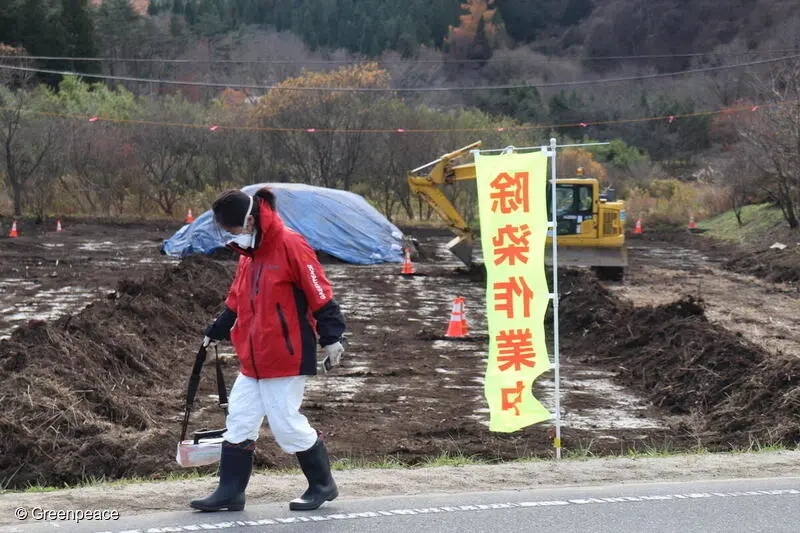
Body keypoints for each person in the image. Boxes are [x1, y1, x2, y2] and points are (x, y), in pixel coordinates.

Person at [190, 187, 347, 513]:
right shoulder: (249, 255)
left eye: (232, 228)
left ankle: (322, 484)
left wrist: (332, 336)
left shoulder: (291, 245)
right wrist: (215, 331)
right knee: (240, 419)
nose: (230, 235)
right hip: (254, 356)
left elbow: (319, 291)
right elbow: (237, 300)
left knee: (286, 424)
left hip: (287, 355)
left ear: (249, 221)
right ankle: (231, 491)